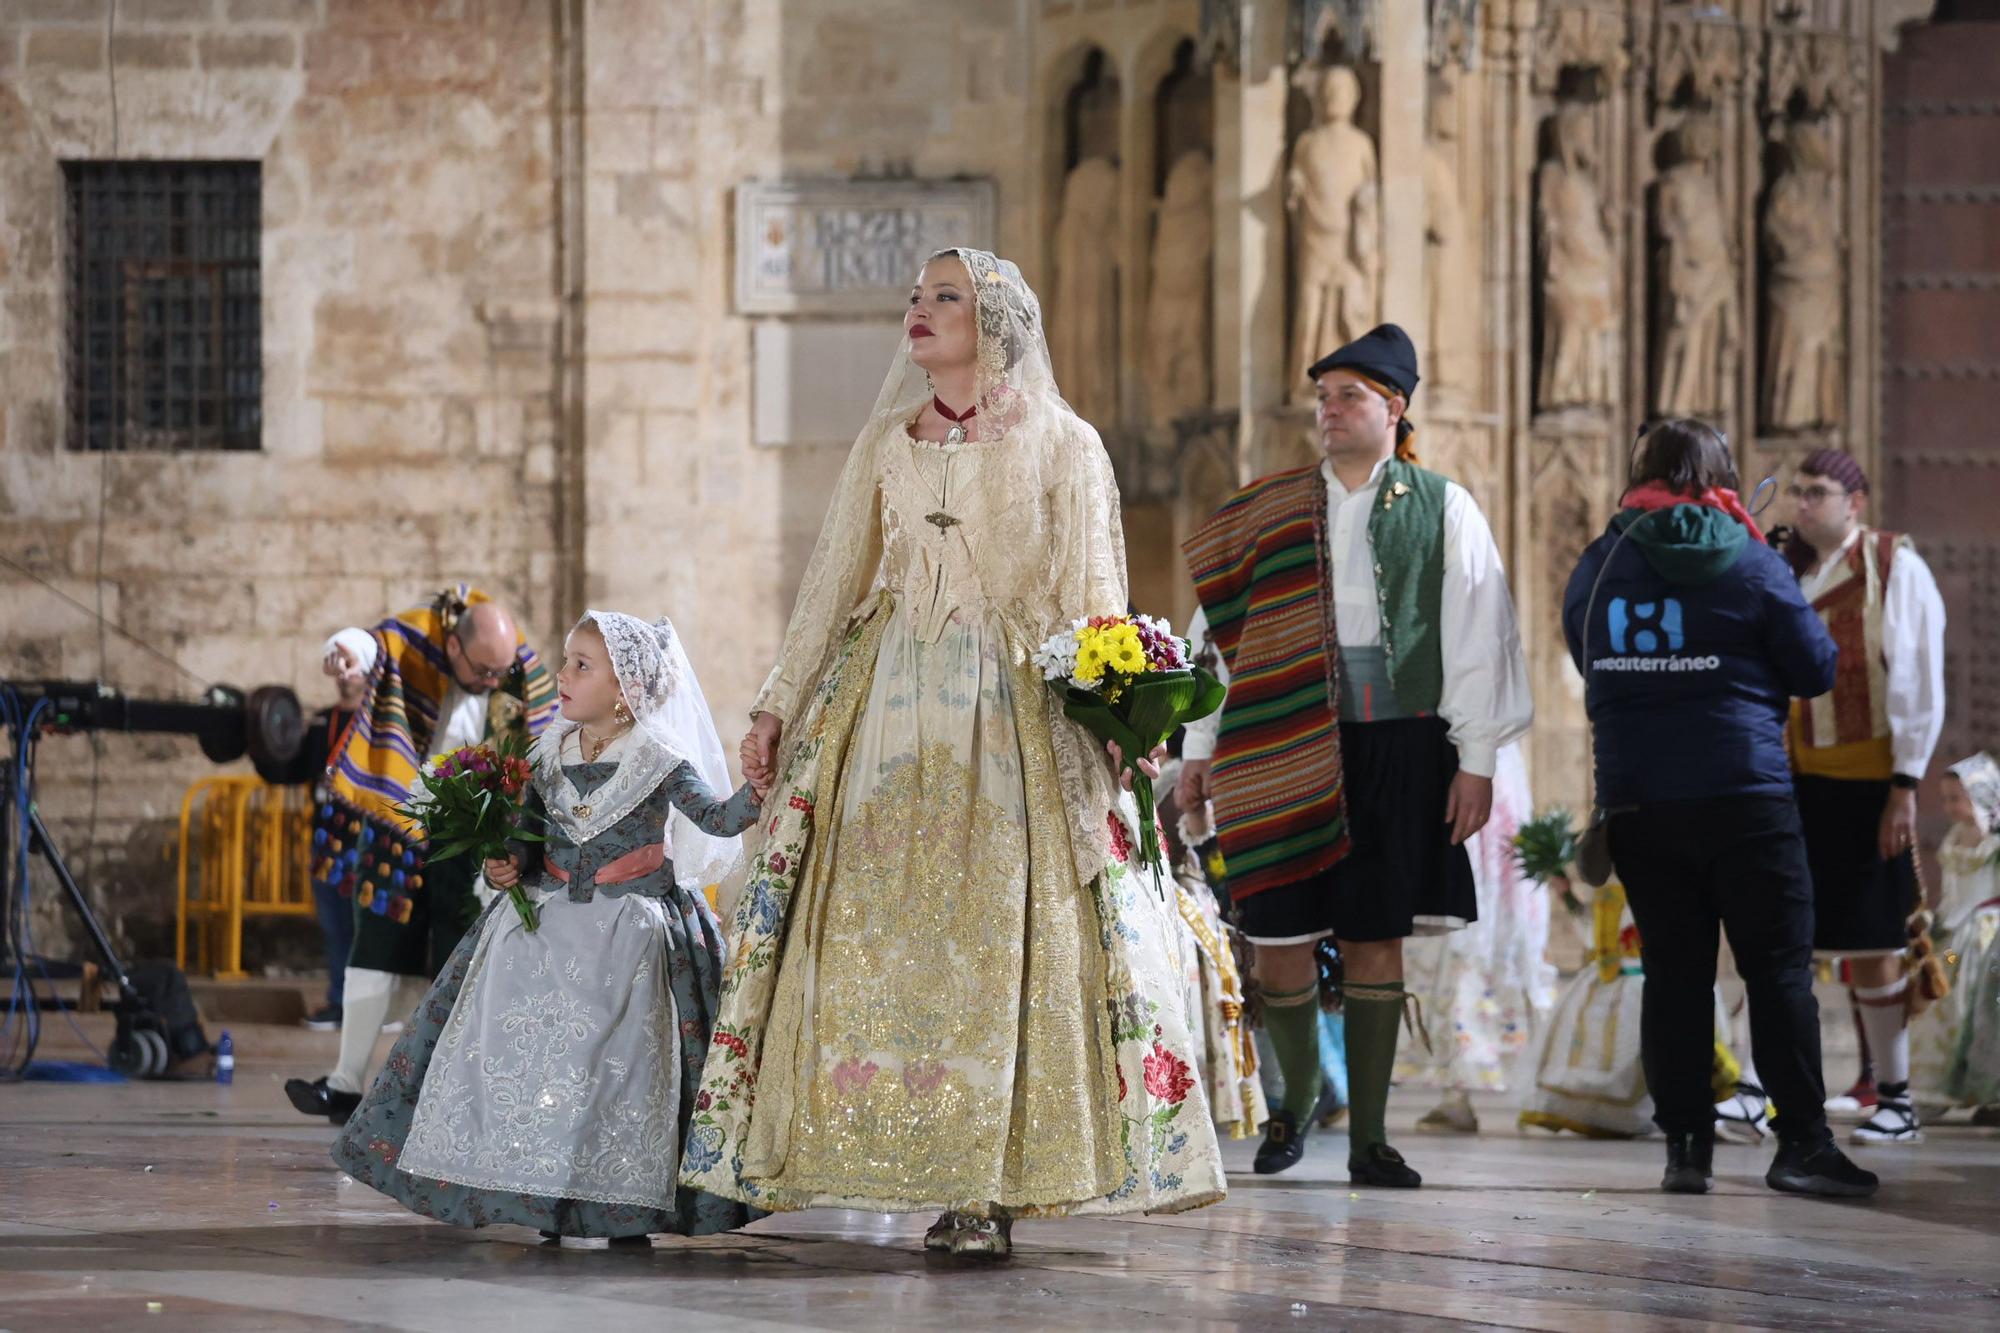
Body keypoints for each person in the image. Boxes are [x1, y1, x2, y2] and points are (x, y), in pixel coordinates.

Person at [679, 247, 1224, 1259]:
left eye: (945, 297)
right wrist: (773, 707)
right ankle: (854, 1146)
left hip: (1007, 718)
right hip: (884, 711)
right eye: (917, 296)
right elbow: (832, 577)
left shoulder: (1065, 444)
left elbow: (1094, 597)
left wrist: (1119, 723)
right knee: (875, 936)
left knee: (996, 943)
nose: (917, 310)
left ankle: (988, 1182)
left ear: (998, 320)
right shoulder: (886, 440)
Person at [1180, 323, 1533, 1186]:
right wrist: (1198, 744)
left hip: (1397, 746)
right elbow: (1215, 638)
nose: (1329, 411)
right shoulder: (1267, 508)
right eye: (1322, 397)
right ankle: (1295, 1106)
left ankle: (1372, 1136)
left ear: (1395, 408)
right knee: (1277, 938)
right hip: (1279, 740)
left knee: (1377, 938)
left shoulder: (1443, 505)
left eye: (1349, 396)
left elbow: (1479, 634)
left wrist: (1476, 758)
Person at [333, 612, 760, 1243]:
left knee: (610, 1070)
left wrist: (763, 783)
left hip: (630, 926)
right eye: (565, 660)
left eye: (581, 666)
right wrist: (508, 861)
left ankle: (617, 1206)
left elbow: (719, 820)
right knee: (523, 1052)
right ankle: (537, 1194)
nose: (560, 675)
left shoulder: (660, 762)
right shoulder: (548, 753)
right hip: (548, 921)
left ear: (625, 691)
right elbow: (527, 839)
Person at [1562, 418, 1876, 1197]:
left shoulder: (1602, 562)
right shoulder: (1752, 558)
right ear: (1721, 477)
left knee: (1673, 973)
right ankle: (1800, 1142)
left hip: (1640, 801)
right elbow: (1814, 668)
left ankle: (1687, 1148)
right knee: (1777, 973)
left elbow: (1584, 651)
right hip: (1745, 795)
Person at [284, 586, 557, 1124]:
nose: (493, 682)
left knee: (459, 954)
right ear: (453, 650)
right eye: (483, 671)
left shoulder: (511, 663)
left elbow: (544, 717)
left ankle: (445, 1090)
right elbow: (373, 647)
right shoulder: (417, 645)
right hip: (400, 820)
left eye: (500, 671)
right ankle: (343, 1084)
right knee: (375, 943)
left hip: (476, 831)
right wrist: (347, 647)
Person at [1778, 447, 1947, 1146]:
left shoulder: (1891, 565)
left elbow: (1917, 678)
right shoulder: (1784, 567)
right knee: (1785, 935)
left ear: (1856, 502)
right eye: (1798, 491)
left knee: (1875, 941)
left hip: (1870, 781)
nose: (1803, 503)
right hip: (1794, 780)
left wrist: (1905, 786)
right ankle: (1774, 1088)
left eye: (1818, 492)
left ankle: (1897, 1097)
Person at [1399, 743, 1555, 1133]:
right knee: (1451, 945)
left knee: (1480, 936)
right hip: (1468, 772)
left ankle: (1528, 1088)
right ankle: (1457, 1092)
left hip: (1475, 780)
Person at [266, 627, 377, 1030]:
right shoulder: (321, 723)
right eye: (338, 666)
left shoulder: (379, 724)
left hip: (369, 839)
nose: (344, 675)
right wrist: (265, 735)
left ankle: (370, 1007)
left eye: (351, 666)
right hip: (328, 838)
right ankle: (337, 1001)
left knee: (367, 927)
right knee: (334, 926)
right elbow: (290, 770)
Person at [1911, 752, 2000, 1118]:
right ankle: (1937, 1085)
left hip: (1985, 937)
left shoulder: (1993, 841)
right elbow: (1952, 893)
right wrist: (1933, 920)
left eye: (1955, 797)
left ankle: (1982, 1087)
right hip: (1953, 940)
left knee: (1973, 1001)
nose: (1948, 806)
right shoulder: (1955, 837)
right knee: (1939, 988)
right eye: (1944, 798)